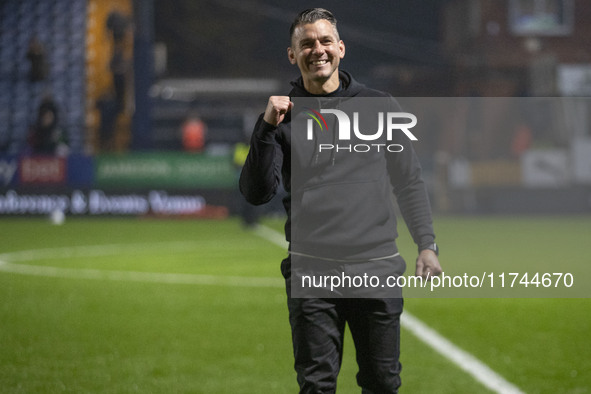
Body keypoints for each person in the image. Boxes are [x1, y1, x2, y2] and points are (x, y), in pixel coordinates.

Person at [239, 8, 442, 393]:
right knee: (316, 386)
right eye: (307, 44)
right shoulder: (280, 117)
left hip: (376, 268)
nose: (318, 50)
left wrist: (427, 245)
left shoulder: (379, 105)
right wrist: (266, 129)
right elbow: (256, 193)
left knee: (382, 383)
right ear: (292, 55)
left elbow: (409, 181)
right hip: (312, 273)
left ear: (341, 48)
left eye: (325, 41)